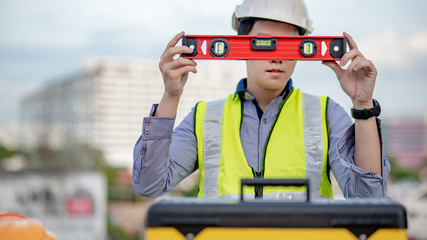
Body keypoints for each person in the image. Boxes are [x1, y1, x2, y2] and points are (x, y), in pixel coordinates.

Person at [132, 0, 390, 199]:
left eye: (288, 46)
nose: (277, 57)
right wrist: (171, 96)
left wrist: (363, 105)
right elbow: (149, 185)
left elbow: (369, 197)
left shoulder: (324, 113)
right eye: (266, 44)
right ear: (241, 45)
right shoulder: (205, 117)